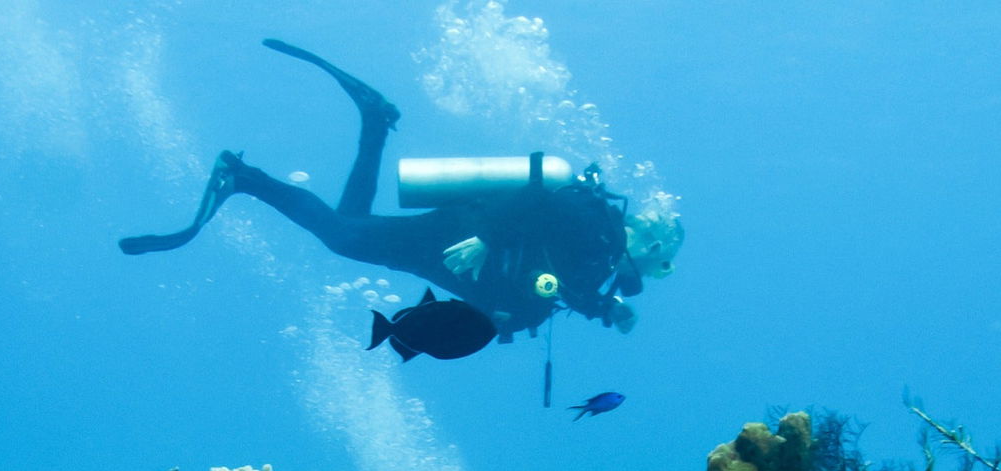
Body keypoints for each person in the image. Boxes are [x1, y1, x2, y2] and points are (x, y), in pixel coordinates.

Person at [120, 39, 682, 343]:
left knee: (351, 226)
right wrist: (486, 238)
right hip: (462, 240)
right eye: (662, 260)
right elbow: (536, 199)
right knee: (345, 237)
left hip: (463, 265)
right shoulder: (598, 225)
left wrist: (608, 309)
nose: (655, 272)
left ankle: (374, 119)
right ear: (652, 242)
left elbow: (568, 284)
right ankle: (243, 177)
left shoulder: (602, 252)